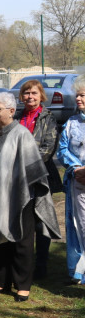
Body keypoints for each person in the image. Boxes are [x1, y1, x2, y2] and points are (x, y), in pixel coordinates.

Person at [0, 92, 60, 302]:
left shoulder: (22, 134)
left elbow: (34, 168)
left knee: (21, 241)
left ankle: (23, 284)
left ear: (12, 111)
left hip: (21, 196)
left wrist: (26, 191)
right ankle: (0, 281)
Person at [16, 79, 62, 279]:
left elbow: (48, 148)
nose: (30, 97)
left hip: (41, 174)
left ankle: (41, 264)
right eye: (26, 93)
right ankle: (22, 261)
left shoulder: (48, 118)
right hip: (17, 176)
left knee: (41, 220)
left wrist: (27, 166)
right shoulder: (16, 117)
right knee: (23, 219)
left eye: (34, 93)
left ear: (41, 96)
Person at [55, 75, 85, 285]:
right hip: (78, 181)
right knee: (79, 225)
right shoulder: (71, 123)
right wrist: (75, 167)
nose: (79, 99)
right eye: (77, 95)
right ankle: (79, 271)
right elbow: (63, 149)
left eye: (83, 95)